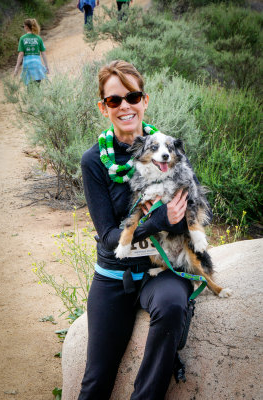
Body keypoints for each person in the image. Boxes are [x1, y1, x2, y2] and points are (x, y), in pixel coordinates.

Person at [78, 60, 210, 400]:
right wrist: (157, 221)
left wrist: (180, 222)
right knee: (96, 381)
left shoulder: (167, 151)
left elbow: (192, 211)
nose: (125, 106)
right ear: (103, 107)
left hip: (161, 270)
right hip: (114, 275)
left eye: (132, 97)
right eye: (114, 100)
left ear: (145, 101)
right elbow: (109, 237)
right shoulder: (94, 160)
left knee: (171, 306)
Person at [14, 18, 49, 85]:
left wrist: (17, 68)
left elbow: (21, 54)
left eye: (24, 26)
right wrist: (46, 66)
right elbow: (43, 53)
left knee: (29, 87)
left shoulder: (22, 38)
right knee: (37, 85)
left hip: (27, 65)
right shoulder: (38, 38)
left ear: (26, 27)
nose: (24, 27)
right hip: (37, 64)